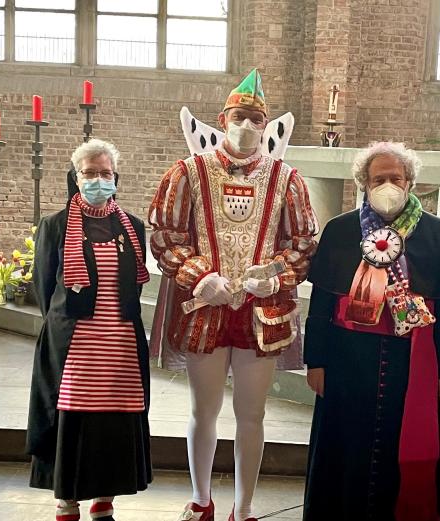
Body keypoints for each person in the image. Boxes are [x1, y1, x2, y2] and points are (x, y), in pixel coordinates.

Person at [149, 68, 317, 521]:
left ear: (266, 126)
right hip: (205, 307)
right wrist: (200, 276)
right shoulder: (188, 172)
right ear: (224, 119)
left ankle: (243, 508)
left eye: (255, 119)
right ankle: (201, 499)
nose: (247, 126)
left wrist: (276, 276)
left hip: (261, 311)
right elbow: (166, 233)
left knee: (252, 414)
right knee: (203, 410)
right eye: (239, 116)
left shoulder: (286, 179)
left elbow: (302, 241)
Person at [303, 141, 440, 521]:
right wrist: (315, 362)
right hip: (346, 357)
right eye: (379, 179)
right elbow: (322, 302)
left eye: (396, 177)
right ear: (364, 183)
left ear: (410, 183)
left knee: (398, 447)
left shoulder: (439, 233)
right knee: (344, 445)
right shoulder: (341, 230)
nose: (388, 185)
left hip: (410, 360)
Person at [28, 139, 152, 521]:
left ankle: (104, 497)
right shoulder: (55, 225)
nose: (98, 179)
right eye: (89, 173)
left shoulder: (132, 226)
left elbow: (135, 282)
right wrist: (69, 319)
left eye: (105, 173)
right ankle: (67, 499)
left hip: (119, 341)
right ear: (75, 177)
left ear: (116, 178)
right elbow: (43, 285)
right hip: (75, 342)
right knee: (72, 416)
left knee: (113, 417)